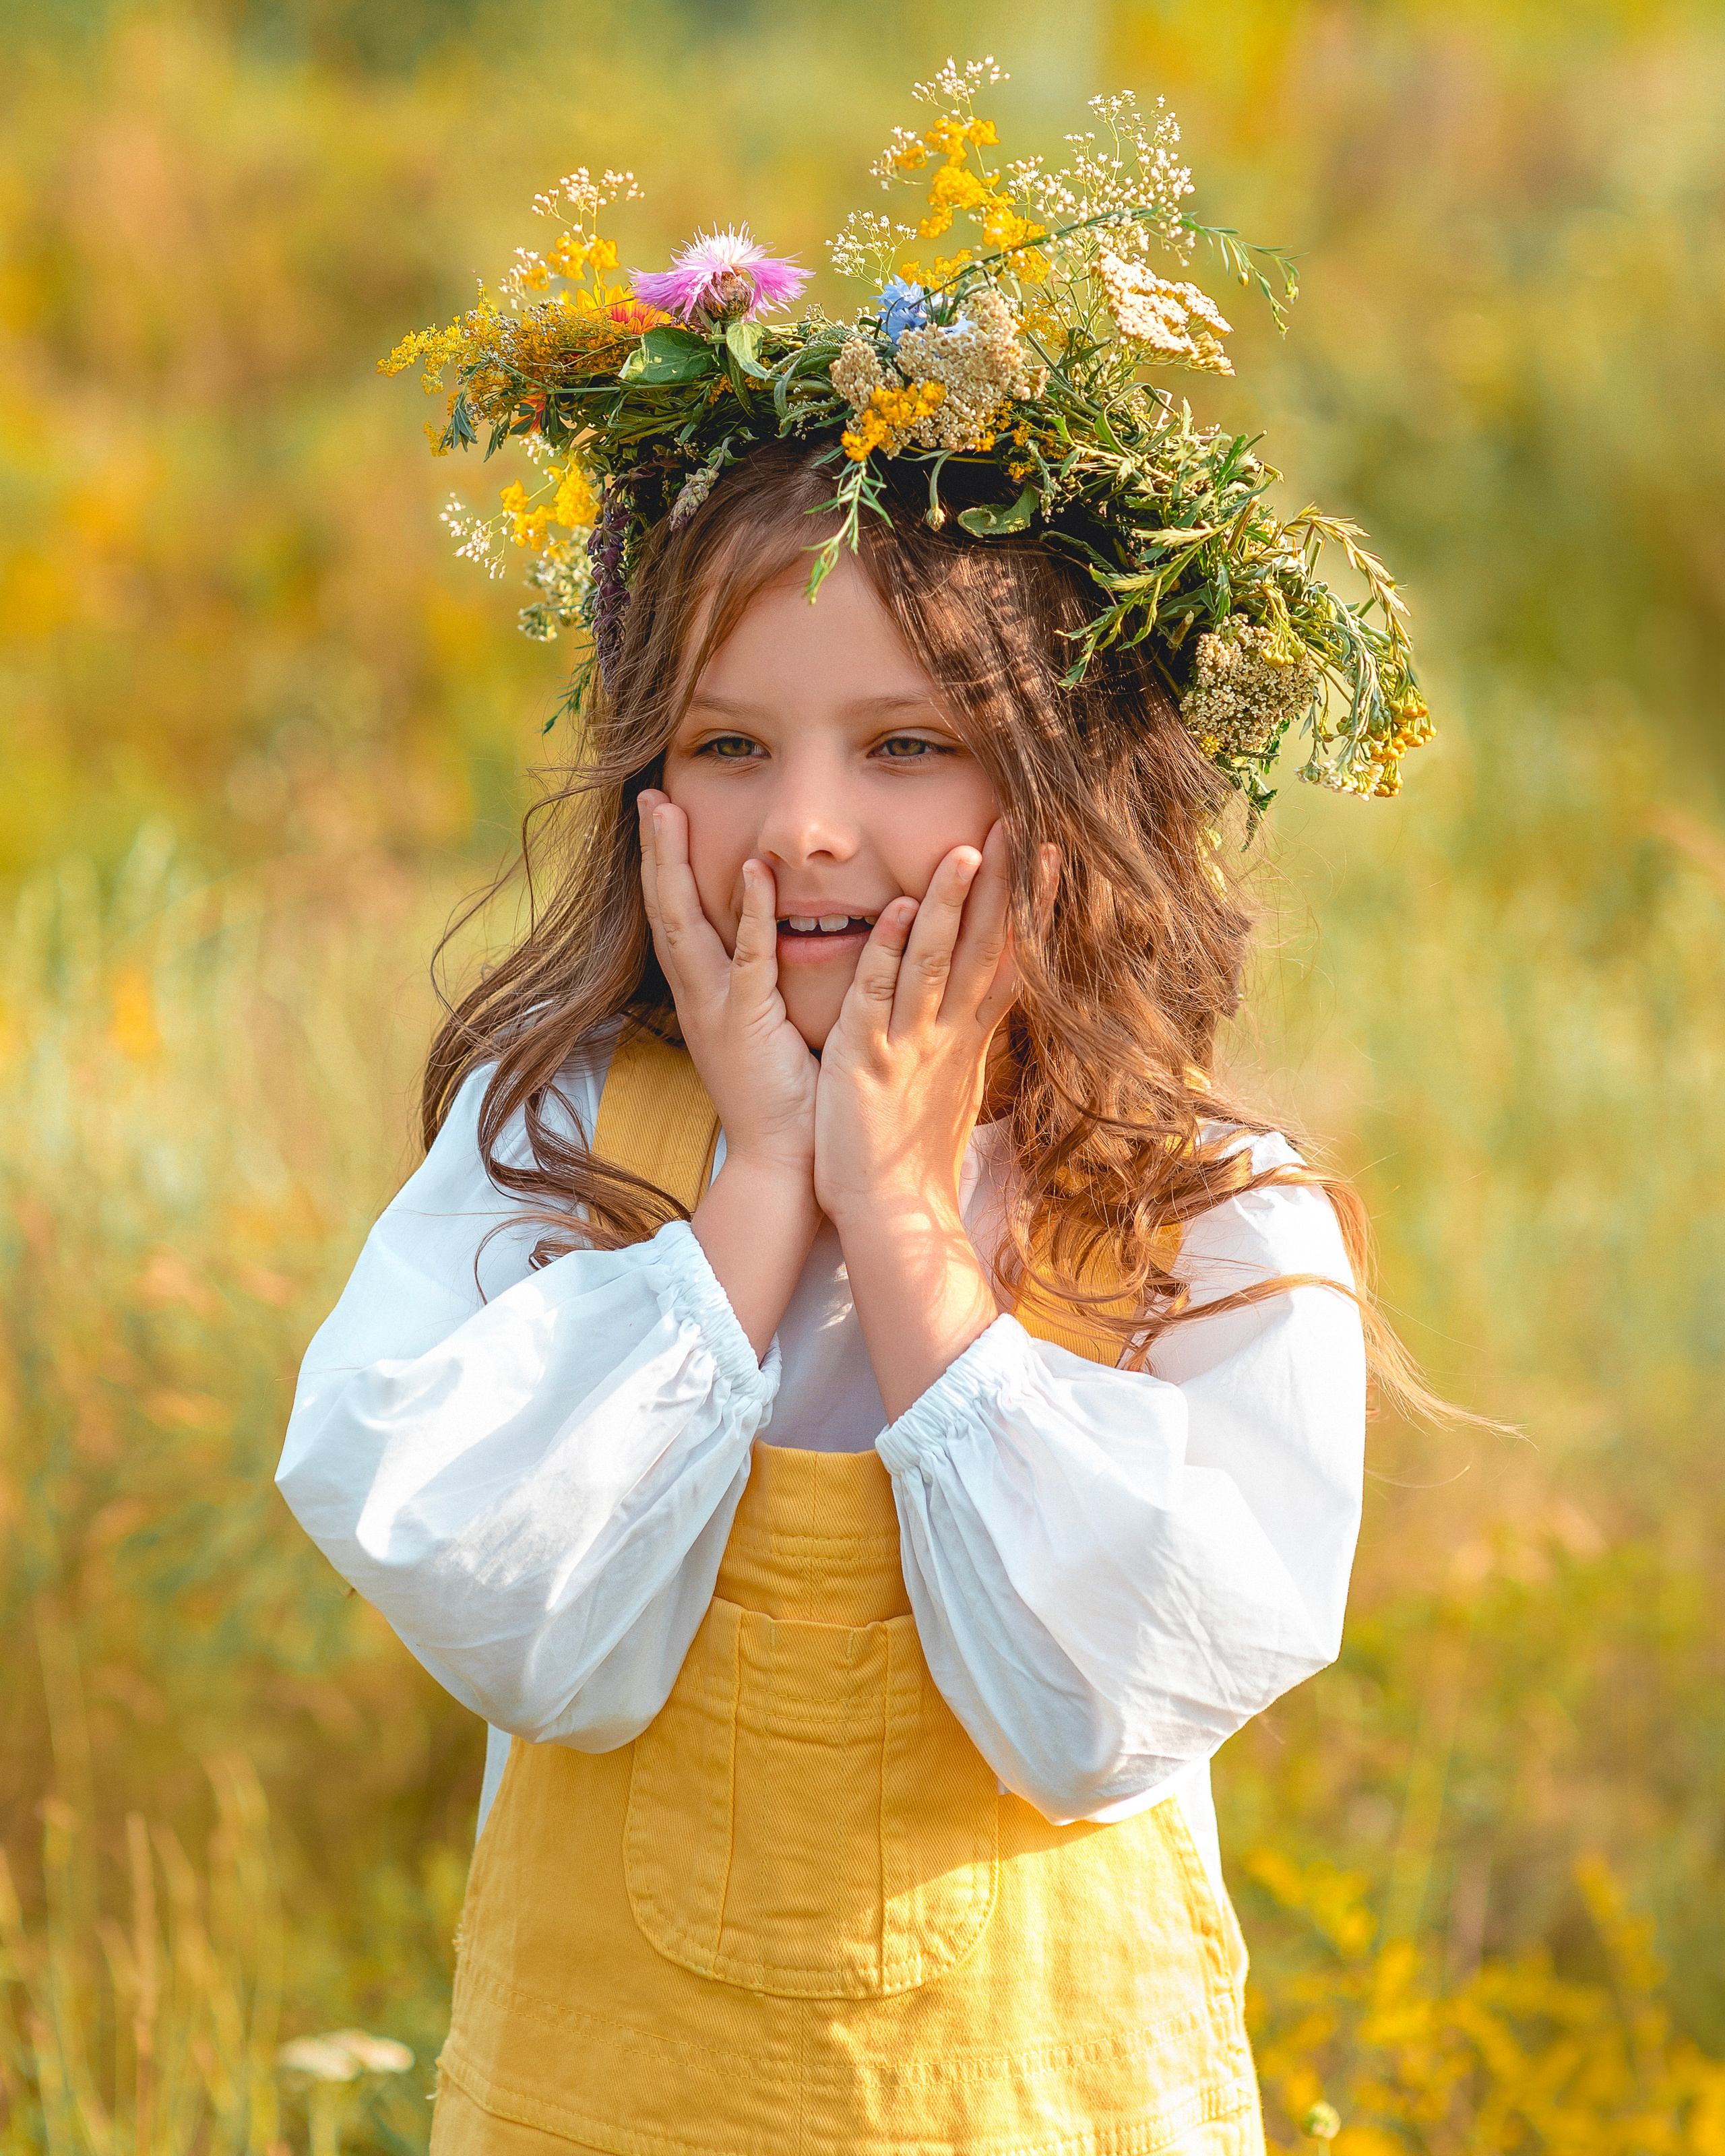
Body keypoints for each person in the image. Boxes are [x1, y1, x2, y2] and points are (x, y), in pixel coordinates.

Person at [281, 71, 1437, 2156]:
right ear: (647, 777)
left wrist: (903, 1230)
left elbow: (1101, 1714)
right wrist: (750, 1204)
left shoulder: (1195, 1218)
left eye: (908, 743)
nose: (806, 829)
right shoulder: (566, 1141)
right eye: (731, 741)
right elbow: (497, 1602)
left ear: (1069, 789)